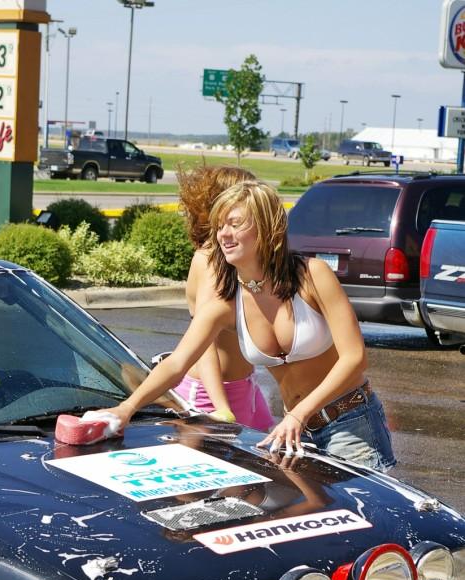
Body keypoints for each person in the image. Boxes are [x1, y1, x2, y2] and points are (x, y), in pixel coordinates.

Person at [92, 180, 395, 472]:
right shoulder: (226, 304)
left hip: (350, 423)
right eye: (220, 226)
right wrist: (126, 409)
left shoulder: (312, 277)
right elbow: (176, 364)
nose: (224, 234)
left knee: (368, 518)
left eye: (235, 224)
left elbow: (355, 358)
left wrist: (300, 415)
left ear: (266, 228)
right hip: (292, 430)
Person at [173, 164, 274, 430]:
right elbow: (204, 342)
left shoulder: (236, 258)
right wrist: (222, 408)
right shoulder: (210, 259)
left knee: (270, 463)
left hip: (245, 388)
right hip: (211, 396)